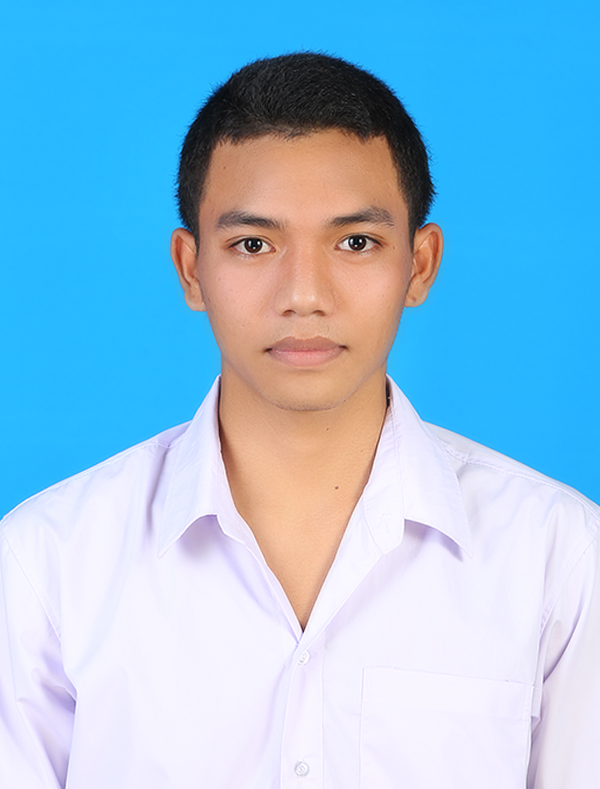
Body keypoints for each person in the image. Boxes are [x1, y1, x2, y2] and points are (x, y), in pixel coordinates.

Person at [0, 53, 598, 789]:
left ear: (419, 264)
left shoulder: (559, 558)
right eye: (253, 244)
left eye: (356, 242)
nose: (304, 294)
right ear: (191, 268)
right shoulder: (44, 566)